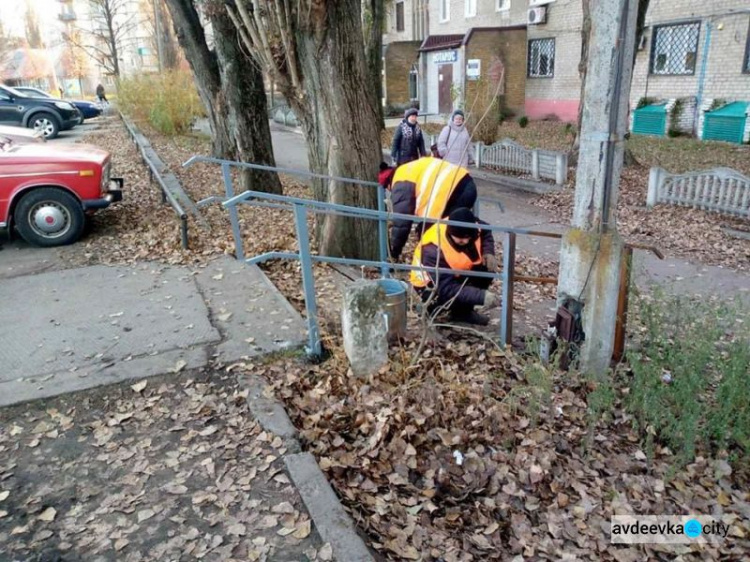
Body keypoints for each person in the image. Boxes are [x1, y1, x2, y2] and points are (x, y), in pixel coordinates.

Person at [410, 207, 499, 325]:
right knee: (441, 296)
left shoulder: (470, 223)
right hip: (429, 285)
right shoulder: (433, 248)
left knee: (485, 270)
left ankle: (462, 313)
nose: (465, 241)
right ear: (450, 232)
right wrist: (481, 296)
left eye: (468, 238)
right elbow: (446, 288)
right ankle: (430, 309)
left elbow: (486, 231)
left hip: (455, 272)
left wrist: (488, 252)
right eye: (460, 239)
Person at [378, 157, 478, 260]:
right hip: (463, 182)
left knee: (440, 234)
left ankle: (445, 264)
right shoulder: (406, 170)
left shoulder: (400, 183)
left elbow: (402, 222)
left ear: (389, 184)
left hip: (454, 191)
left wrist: (394, 252)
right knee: (459, 231)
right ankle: (471, 262)